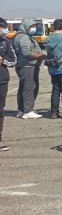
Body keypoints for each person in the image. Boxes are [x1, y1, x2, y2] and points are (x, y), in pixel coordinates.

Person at [12, 18, 46, 119]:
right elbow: (26, 52)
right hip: (27, 66)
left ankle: (22, 110)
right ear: (26, 26)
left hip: (25, 65)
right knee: (30, 88)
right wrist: (39, 56)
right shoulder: (24, 37)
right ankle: (28, 110)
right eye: (32, 27)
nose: (34, 28)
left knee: (24, 88)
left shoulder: (23, 36)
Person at [0, 18, 17, 151]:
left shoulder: (6, 43)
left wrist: (3, 61)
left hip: (2, 80)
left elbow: (13, 61)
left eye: (2, 27)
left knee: (0, 110)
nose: (1, 30)